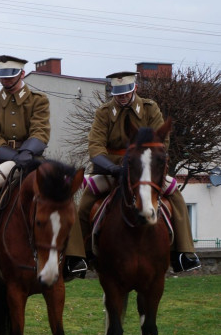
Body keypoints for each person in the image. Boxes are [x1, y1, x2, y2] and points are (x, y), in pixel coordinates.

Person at [0, 56, 83, 285]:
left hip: (34, 158)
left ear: (22, 75)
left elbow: (41, 131)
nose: (6, 81)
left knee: (63, 196)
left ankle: (74, 257)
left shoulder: (39, 100)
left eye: (11, 77)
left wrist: (28, 154)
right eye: (3, 77)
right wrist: (16, 158)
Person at [72, 71, 200, 272]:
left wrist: (145, 160)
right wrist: (112, 167)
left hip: (144, 168)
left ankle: (183, 253)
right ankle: (79, 256)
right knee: (86, 202)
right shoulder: (104, 113)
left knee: (175, 195)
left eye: (126, 92)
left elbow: (161, 140)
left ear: (135, 89)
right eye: (118, 93)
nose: (122, 97)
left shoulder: (150, 108)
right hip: (113, 169)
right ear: (112, 91)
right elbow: (95, 146)